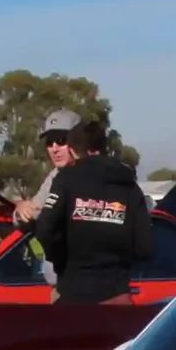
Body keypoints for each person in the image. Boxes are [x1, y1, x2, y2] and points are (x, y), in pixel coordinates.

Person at [32, 118, 152, 304]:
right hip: (117, 296)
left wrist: (59, 261)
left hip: (73, 293)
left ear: (72, 149)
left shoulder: (66, 179)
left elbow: (46, 229)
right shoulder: (129, 186)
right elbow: (144, 246)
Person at [12, 109, 83, 224]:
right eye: (49, 142)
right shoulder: (56, 175)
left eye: (61, 140)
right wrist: (20, 210)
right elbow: (32, 212)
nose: (54, 149)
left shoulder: (99, 172)